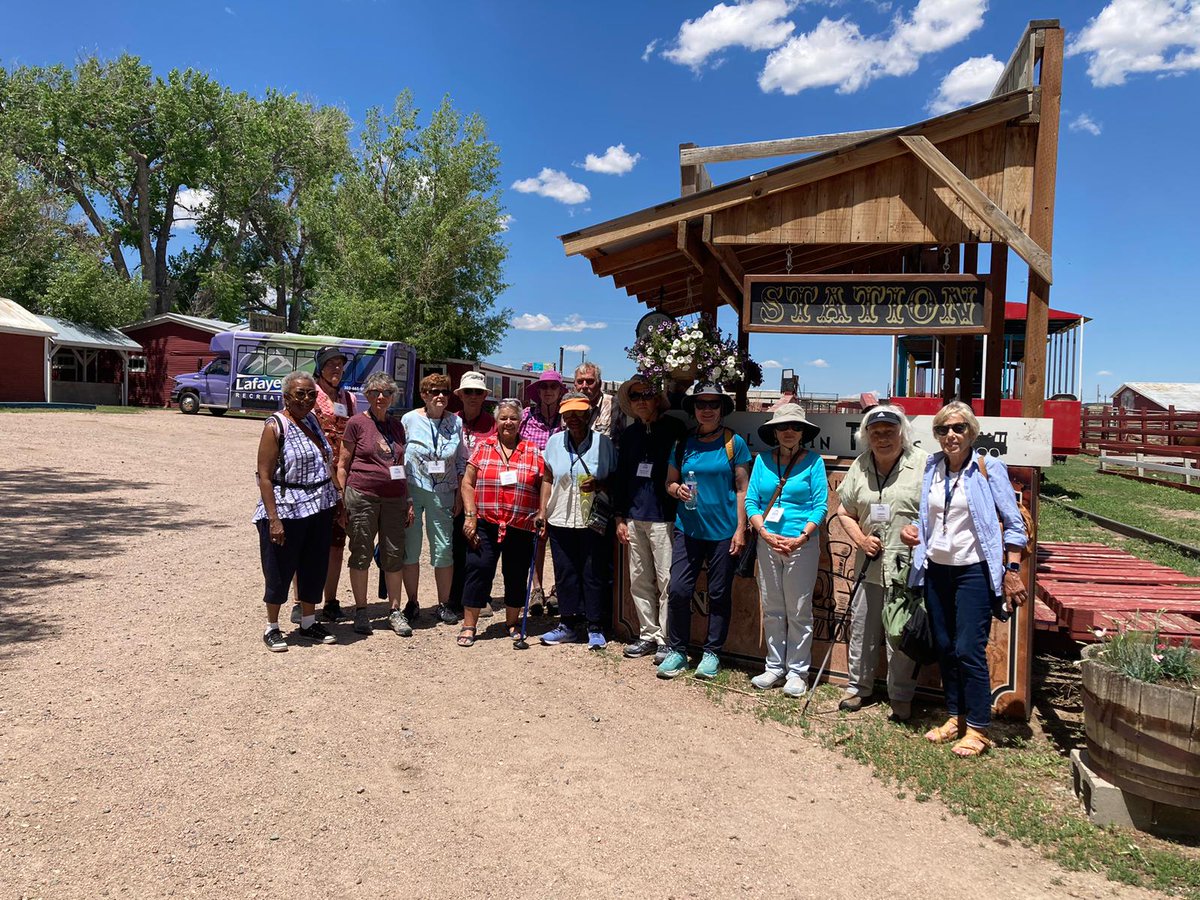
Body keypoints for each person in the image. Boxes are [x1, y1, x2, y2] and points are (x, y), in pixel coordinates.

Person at [900, 400, 1028, 757]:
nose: (951, 435)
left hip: (973, 570)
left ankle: (978, 728)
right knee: (944, 645)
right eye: (943, 429)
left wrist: (1012, 570)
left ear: (972, 432)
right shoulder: (932, 466)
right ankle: (955, 717)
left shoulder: (988, 468)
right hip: (936, 568)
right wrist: (916, 533)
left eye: (958, 428)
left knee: (968, 649)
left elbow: (1014, 524)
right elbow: (928, 516)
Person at [833, 404, 926, 719]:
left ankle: (900, 696)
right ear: (867, 436)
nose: (883, 438)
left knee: (899, 632)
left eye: (889, 431)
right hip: (869, 565)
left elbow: (939, 513)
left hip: (907, 569)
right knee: (863, 629)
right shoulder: (859, 466)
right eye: (876, 433)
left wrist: (922, 532)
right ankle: (859, 688)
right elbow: (844, 512)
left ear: (902, 433)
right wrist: (859, 538)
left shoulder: (923, 464)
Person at [657, 383, 751, 681]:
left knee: (719, 593)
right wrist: (677, 490)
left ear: (722, 409)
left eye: (713, 404)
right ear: (694, 409)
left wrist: (741, 528)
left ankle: (712, 653)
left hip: (723, 532)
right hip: (689, 529)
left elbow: (742, 489)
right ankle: (677, 650)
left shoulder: (733, 442)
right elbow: (669, 482)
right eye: (701, 404)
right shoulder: (683, 444)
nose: (707, 409)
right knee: (680, 590)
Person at [744, 404, 827, 698]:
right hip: (768, 542)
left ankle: (797, 671)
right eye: (783, 427)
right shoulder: (763, 461)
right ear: (775, 432)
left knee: (799, 610)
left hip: (800, 545)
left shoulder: (814, 462)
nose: (789, 432)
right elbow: (751, 501)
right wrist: (764, 532)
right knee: (774, 608)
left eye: (795, 427)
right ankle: (775, 666)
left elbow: (820, 506)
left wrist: (801, 538)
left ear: (803, 432)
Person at [254, 370, 341, 651]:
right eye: (299, 394)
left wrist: (338, 498)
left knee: (313, 566)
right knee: (279, 566)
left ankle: (307, 621)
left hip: (319, 505)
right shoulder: (275, 426)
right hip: (287, 507)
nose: (306, 399)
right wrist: (273, 519)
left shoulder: (314, 420)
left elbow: (326, 463)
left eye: (311, 394)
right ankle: (272, 627)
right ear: (286, 396)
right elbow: (264, 476)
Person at [458, 398, 544, 645]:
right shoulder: (484, 447)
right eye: (503, 418)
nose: (508, 422)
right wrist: (470, 515)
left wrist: (542, 512)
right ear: (496, 422)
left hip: (520, 523)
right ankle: (469, 625)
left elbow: (544, 481)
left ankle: (512, 622)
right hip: (486, 521)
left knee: (516, 573)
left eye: (513, 418)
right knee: (479, 568)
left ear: (520, 422)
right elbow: (467, 482)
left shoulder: (532, 450)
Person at [612, 376, 685, 662]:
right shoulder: (630, 435)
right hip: (634, 516)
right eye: (636, 396)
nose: (641, 400)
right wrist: (620, 516)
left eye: (646, 394)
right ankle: (647, 634)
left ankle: (666, 639)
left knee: (667, 579)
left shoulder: (674, 429)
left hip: (664, 517)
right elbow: (622, 479)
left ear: (657, 398)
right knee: (639, 579)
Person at [336, 372, 415, 637]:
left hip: (395, 498)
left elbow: (401, 465)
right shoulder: (356, 423)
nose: (381, 397)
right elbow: (343, 464)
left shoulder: (397, 426)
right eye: (375, 392)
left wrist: (409, 499)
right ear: (367, 395)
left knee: (394, 554)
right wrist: (342, 499)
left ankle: (394, 610)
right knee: (361, 551)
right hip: (362, 496)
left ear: (393, 396)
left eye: (386, 392)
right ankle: (361, 610)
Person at [536, 391, 616, 649]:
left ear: (589, 413)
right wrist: (542, 511)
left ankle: (595, 626)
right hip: (560, 516)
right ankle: (568, 624)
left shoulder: (604, 444)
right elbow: (548, 478)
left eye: (579, 412)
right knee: (566, 571)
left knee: (594, 572)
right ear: (562, 415)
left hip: (593, 518)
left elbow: (617, 479)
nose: (574, 418)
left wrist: (601, 484)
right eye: (568, 413)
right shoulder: (554, 442)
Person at [289, 346, 355, 625]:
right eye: (331, 365)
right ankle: (299, 600)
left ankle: (330, 599)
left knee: (336, 542)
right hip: (311, 476)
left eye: (340, 365)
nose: (336, 369)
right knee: (304, 541)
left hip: (341, 477)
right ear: (321, 367)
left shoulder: (349, 398)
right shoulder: (309, 393)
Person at [401, 373, 466, 626]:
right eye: (434, 391)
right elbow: (399, 455)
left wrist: (459, 492)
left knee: (443, 548)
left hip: (444, 490)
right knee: (411, 547)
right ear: (424, 395)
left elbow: (461, 460)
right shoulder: (409, 419)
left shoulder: (455, 422)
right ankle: (412, 602)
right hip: (414, 488)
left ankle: (443, 603)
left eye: (445, 392)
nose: (440, 396)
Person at [450, 372, 498, 618]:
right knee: (456, 545)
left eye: (477, 392)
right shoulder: (451, 422)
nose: (473, 396)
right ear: (460, 395)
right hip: (453, 491)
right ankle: (456, 596)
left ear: (484, 397)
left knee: (479, 546)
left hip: (484, 493)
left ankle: (481, 596)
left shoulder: (494, 425)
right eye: (468, 391)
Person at [520, 369, 565, 614]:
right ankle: (536, 589)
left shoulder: (567, 416)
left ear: (560, 391)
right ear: (537, 391)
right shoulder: (526, 416)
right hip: (533, 485)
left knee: (558, 538)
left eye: (553, 387)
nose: (548, 391)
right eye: (544, 387)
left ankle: (558, 588)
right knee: (537, 537)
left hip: (560, 485)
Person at [574, 361, 624, 440]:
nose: (584, 386)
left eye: (590, 381)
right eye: (580, 382)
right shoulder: (568, 406)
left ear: (599, 384)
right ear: (575, 384)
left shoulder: (614, 405)